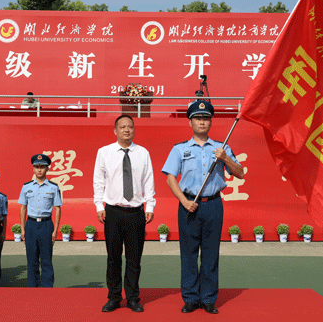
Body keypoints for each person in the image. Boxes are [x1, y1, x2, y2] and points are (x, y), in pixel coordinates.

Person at [162, 100, 244, 314]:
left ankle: (208, 298)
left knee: (210, 253)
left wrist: (225, 158)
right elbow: (170, 177)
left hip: (213, 205)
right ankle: (190, 297)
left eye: (206, 118)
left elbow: (240, 172)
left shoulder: (221, 148)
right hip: (189, 205)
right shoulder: (180, 149)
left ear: (210, 122)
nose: (202, 122)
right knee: (188, 253)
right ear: (190, 122)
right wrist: (183, 200)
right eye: (198, 118)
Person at [93, 115, 156, 313]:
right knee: (113, 258)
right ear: (115, 130)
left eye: (130, 126)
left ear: (134, 130)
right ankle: (113, 297)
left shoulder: (143, 153)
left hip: (136, 213)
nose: (126, 130)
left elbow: (149, 181)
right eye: (122, 127)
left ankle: (132, 298)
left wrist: (150, 206)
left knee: (134, 258)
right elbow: (98, 181)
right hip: (113, 212)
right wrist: (98, 205)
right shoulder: (104, 152)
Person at [18, 154, 61, 288]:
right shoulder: (26, 187)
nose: (39, 170)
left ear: (47, 169)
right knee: (32, 259)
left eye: (42, 167)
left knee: (46, 259)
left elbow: (57, 209)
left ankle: (47, 289)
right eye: (37, 167)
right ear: (33, 169)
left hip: (46, 225)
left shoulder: (53, 187)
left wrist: (55, 231)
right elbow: (23, 208)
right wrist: (23, 229)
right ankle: (33, 288)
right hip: (31, 225)